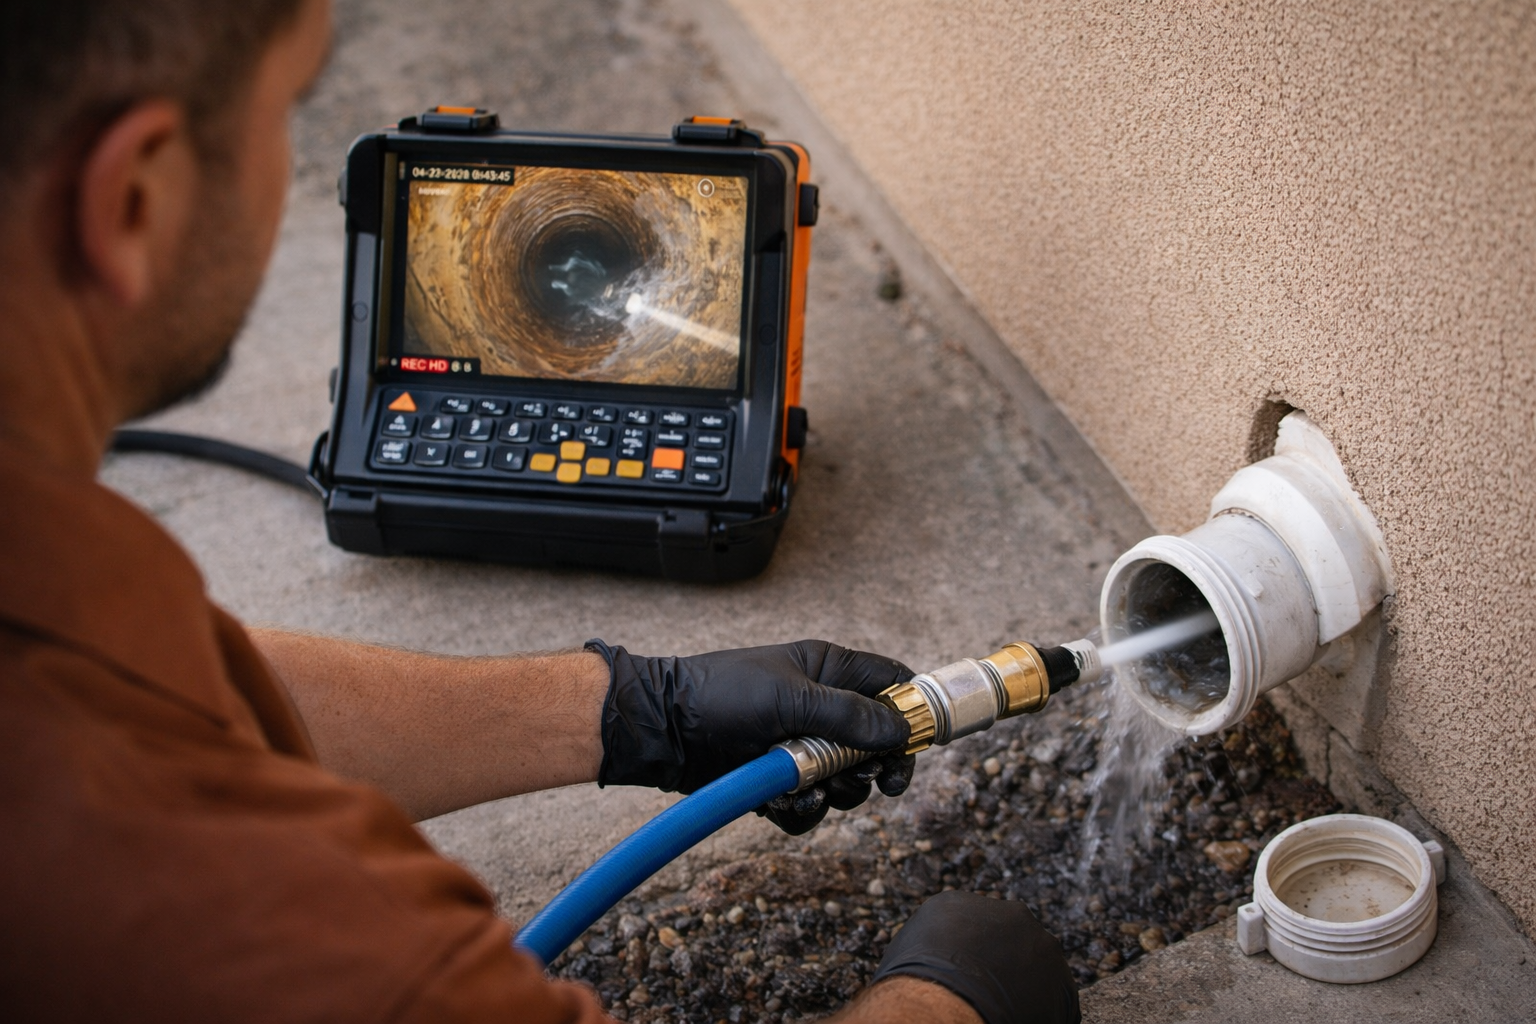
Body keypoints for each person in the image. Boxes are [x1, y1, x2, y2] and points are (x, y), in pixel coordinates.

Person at [0, 1, 1080, 1021]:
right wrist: (946, 996)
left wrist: (633, 707)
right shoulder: (264, 923)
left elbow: (187, 687)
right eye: (284, 109)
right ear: (135, 196)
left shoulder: (61, 605)